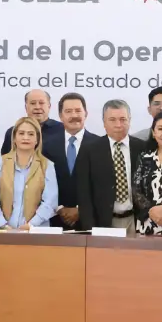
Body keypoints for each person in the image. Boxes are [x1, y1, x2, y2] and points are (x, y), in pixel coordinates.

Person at [76, 99, 148, 233]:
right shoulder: (89, 150)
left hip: (137, 220)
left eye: (123, 119)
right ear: (104, 122)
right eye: (112, 120)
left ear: (130, 120)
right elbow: (84, 193)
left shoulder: (143, 148)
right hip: (103, 222)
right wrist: (89, 228)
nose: (118, 125)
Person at [0, 116, 58, 230]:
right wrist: (2, 224)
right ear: (14, 138)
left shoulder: (47, 165)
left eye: (31, 134)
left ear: (37, 139)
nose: (25, 137)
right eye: (21, 133)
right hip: (1, 229)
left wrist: (31, 225)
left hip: (35, 231)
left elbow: (50, 202)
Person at [52, 93, 101, 230]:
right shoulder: (47, 145)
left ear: (86, 114)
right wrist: (59, 208)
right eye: (68, 111)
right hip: (54, 220)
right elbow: (42, 183)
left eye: (78, 111)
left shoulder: (100, 145)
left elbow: (102, 185)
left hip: (90, 221)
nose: (74, 115)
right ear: (60, 116)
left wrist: (81, 209)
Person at [0, 89, 61, 154]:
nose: (37, 107)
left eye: (41, 103)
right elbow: (5, 158)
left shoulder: (62, 130)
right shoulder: (12, 132)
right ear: (26, 107)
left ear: (49, 106)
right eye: (33, 103)